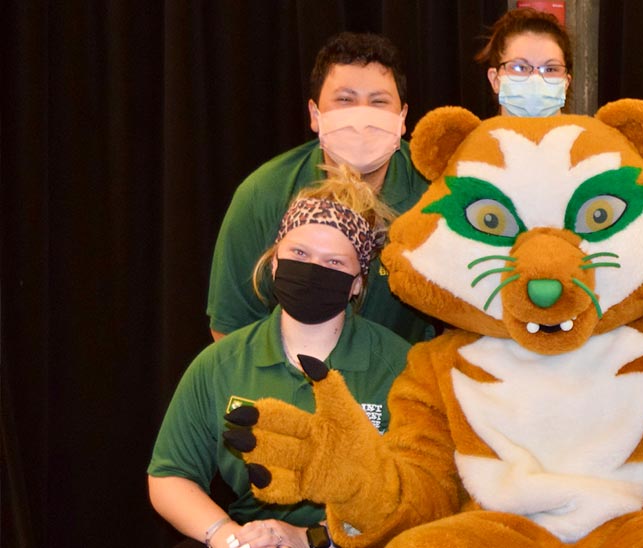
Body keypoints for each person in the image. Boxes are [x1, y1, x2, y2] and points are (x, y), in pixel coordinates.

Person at [150, 168, 411, 548]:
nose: (311, 270)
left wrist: (312, 538)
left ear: (357, 284)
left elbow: (417, 491)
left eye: (334, 263)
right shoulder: (221, 363)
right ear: (274, 262)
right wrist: (229, 538)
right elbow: (170, 475)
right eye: (299, 253)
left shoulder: (399, 366)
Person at [207, 31, 433, 343]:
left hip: (403, 382)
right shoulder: (264, 194)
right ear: (315, 114)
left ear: (403, 117)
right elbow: (231, 327)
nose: (361, 117)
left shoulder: (435, 192)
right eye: (345, 100)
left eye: (379, 102)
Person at [475, 7, 573, 117]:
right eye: (520, 68)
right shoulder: (476, 134)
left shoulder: (589, 133)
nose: (536, 80)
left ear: (566, 83)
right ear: (495, 80)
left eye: (550, 69)